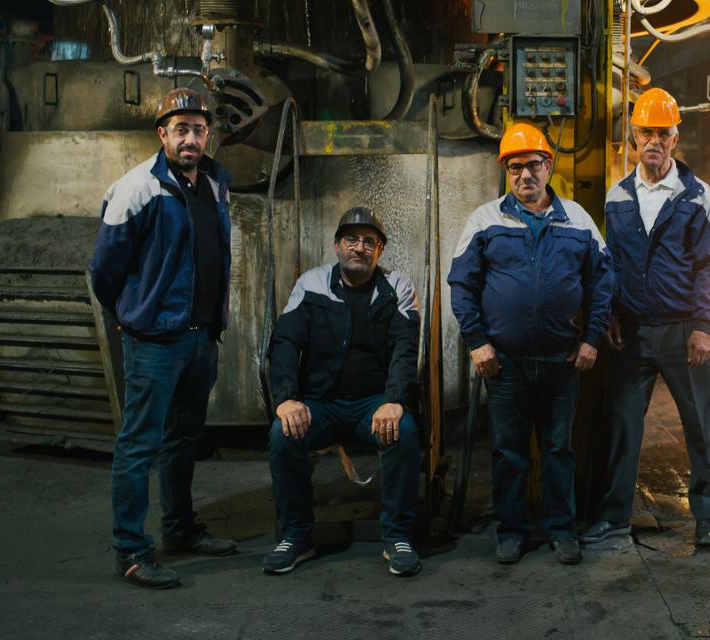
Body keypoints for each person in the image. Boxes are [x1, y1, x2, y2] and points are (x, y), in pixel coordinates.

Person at [90, 87, 238, 589]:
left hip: (202, 337)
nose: (190, 138)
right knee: (139, 444)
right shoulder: (138, 188)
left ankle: (179, 530)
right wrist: (128, 312)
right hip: (154, 341)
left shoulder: (216, 183)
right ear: (162, 134)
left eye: (198, 129)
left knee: (184, 440)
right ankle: (131, 551)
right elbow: (104, 269)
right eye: (180, 130)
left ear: (207, 134)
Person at [447, 122, 614, 565]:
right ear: (506, 171)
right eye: (515, 167)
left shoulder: (577, 219)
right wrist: (478, 342)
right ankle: (511, 531)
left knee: (559, 449)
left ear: (548, 166)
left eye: (533, 165)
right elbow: (461, 285)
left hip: (562, 361)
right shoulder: (485, 220)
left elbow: (603, 282)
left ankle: (562, 530)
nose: (525, 175)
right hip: (505, 363)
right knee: (509, 452)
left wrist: (592, 338)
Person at [584, 87, 710, 548]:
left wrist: (703, 325)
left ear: (674, 139)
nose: (654, 141)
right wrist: (610, 313)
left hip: (683, 329)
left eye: (663, 134)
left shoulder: (695, 194)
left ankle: (707, 518)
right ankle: (614, 517)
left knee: (701, 424)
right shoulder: (618, 196)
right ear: (633, 136)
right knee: (621, 425)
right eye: (646, 132)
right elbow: (610, 262)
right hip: (631, 331)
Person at [263, 207, 423, 577]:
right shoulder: (312, 284)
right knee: (282, 434)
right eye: (351, 239)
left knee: (404, 431)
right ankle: (297, 536)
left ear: (379, 250)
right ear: (337, 246)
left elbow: (405, 348)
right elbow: (285, 341)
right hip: (321, 403)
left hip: (374, 403)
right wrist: (287, 399)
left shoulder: (397, 287)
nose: (359, 247)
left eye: (369, 241)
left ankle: (397, 536)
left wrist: (394, 400)